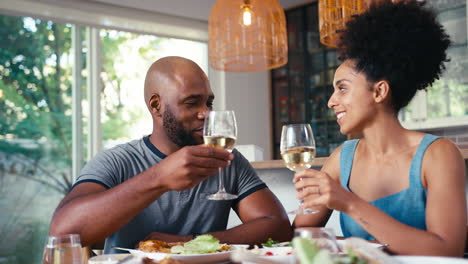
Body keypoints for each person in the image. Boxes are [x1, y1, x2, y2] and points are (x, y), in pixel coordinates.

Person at [49, 56, 292, 253]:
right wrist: (159, 178)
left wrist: (187, 242)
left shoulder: (226, 160)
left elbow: (278, 227)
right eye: (192, 103)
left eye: (208, 103)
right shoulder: (116, 161)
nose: (206, 113)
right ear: (156, 106)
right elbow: (63, 233)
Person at [293, 1, 466, 257]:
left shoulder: (438, 154)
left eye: (342, 88)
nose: (331, 101)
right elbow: (299, 234)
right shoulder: (343, 158)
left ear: (379, 91)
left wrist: (349, 203)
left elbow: (448, 251)